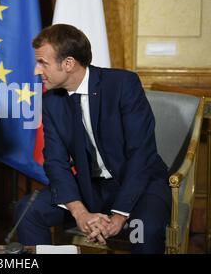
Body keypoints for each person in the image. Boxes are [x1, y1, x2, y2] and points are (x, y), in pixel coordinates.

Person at [15, 24, 171, 253]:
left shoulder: (122, 85)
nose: (37, 70)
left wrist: (119, 216)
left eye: (43, 63)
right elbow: (56, 162)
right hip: (92, 188)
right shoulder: (51, 102)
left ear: (68, 64)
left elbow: (141, 154)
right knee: (27, 211)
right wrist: (80, 213)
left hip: (139, 184)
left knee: (145, 231)